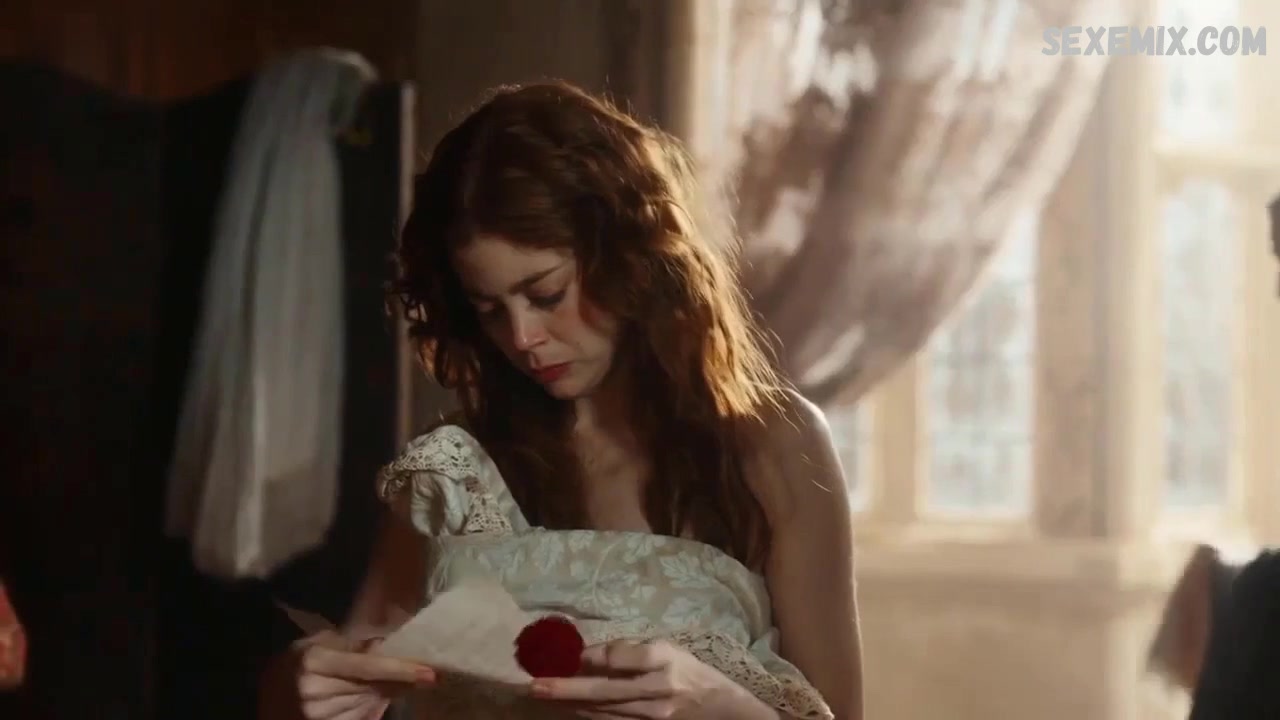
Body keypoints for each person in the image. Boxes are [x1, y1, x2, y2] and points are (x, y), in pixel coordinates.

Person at [257, 80, 863, 720]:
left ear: (630, 256)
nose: (522, 338)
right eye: (490, 310)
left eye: (545, 295)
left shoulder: (773, 444)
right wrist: (290, 693)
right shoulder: (455, 473)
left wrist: (714, 702)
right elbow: (353, 681)